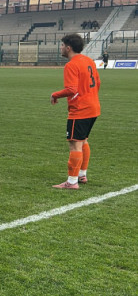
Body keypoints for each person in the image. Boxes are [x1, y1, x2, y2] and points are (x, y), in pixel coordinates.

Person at [50, 33, 101, 189]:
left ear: (68, 47)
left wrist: (55, 95)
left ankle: (72, 182)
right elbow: (98, 82)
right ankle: (81, 175)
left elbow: (71, 89)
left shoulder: (71, 65)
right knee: (83, 140)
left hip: (80, 110)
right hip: (93, 107)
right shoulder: (89, 61)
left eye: (62, 45)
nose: (61, 48)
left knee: (74, 145)